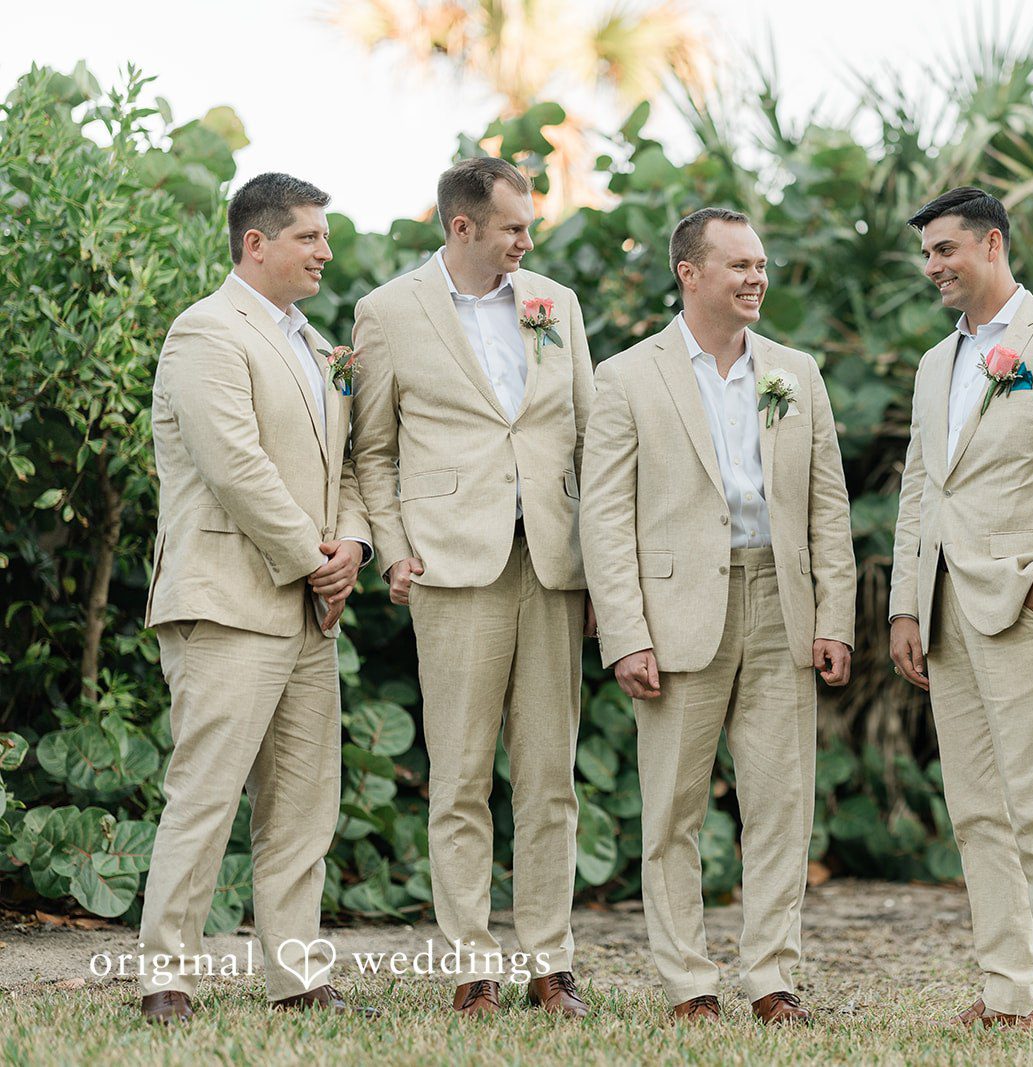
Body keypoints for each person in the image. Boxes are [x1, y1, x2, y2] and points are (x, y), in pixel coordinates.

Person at [580, 207, 855, 1025]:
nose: (755, 277)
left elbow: (829, 503)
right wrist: (626, 632)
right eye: (739, 264)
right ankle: (689, 983)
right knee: (672, 810)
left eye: (760, 264)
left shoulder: (796, 372)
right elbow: (604, 517)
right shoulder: (627, 377)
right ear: (689, 273)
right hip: (675, 613)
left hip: (780, 599)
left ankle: (772, 977)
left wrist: (834, 615)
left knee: (781, 803)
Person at [350, 157, 595, 1018]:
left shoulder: (555, 303)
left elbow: (588, 434)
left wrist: (602, 567)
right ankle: (471, 965)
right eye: (514, 227)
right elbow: (372, 450)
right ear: (463, 227)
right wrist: (392, 549)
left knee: (550, 776)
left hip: (553, 563)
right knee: (458, 776)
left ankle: (550, 962)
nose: (528, 241)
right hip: (451, 566)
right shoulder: (388, 311)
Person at [139, 172, 376, 1021]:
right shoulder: (205, 332)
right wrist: (314, 559)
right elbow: (233, 465)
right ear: (256, 243)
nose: (325, 251)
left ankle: (297, 977)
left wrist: (353, 545)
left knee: (304, 806)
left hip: (311, 609)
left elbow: (346, 467)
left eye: (324, 236)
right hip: (228, 600)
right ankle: (166, 976)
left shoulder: (318, 347)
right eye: (310, 236)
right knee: (204, 795)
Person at [888, 187, 1033, 1032]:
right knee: (975, 806)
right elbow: (922, 488)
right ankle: (1005, 987)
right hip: (944, 607)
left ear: (992, 244)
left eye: (945, 249)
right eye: (927, 253)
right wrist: (905, 605)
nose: (933, 266)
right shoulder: (935, 363)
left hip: (1026, 603)